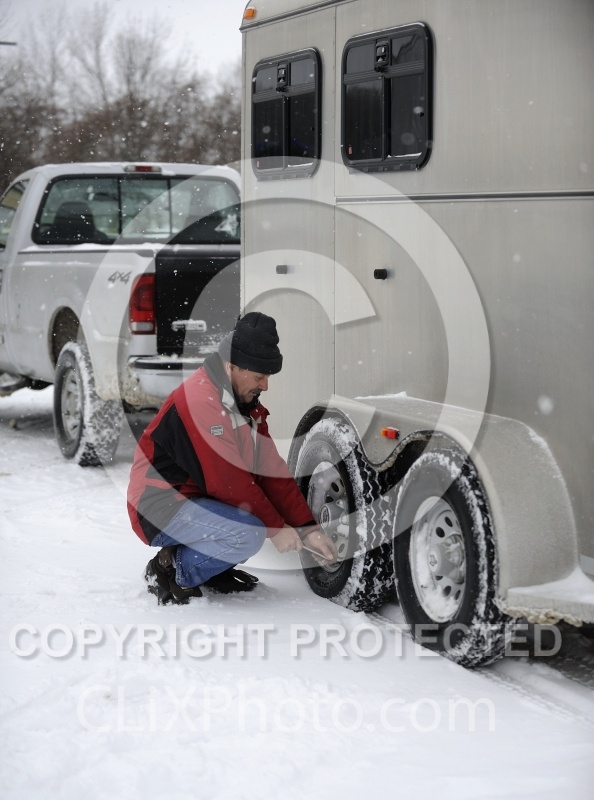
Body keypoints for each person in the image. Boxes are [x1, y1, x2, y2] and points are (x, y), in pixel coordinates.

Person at [127, 312, 337, 604]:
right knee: (248, 532)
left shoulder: (245, 405)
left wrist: (307, 528)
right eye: (259, 377)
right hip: (158, 505)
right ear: (233, 366)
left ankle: (206, 567)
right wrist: (277, 528)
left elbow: (270, 471)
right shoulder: (200, 400)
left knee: (250, 518)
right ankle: (171, 569)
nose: (265, 386)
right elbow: (227, 481)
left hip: (195, 499)